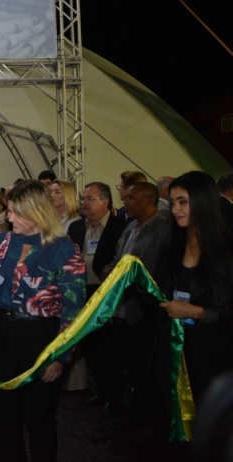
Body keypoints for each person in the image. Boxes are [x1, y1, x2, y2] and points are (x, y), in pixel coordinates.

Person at [0, 180, 86, 462]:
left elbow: (74, 309)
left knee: (40, 423)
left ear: (37, 212)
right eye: (8, 211)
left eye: (15, 212)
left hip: (44, 341)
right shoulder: (0, 243)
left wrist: (60, 356)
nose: (9, 218)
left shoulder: (65, 250)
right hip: (4, 340)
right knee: (5, 423)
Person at [157, 171, 233, 407]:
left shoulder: (226, 251)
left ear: (202, 203)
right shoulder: (170, 246)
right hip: (175, 353)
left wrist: (194, 312)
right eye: (172, 203)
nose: (176, 210)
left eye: (183, 203)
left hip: (215, 359)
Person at [97, 182, 168, 424]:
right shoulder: (129, 229)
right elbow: (118, 260)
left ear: (147, 201)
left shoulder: (163, 229)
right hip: (121, 308)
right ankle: (123, 407)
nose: (125, 202)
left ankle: (146, 416)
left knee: (143, 366)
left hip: (144, 309)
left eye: (130, 198)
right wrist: (109, 269)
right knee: (119, 360)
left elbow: (158, 272)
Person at [66, 182, 126, 409]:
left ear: (105, 202)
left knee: (110, 347)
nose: (84, 203)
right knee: (90, 344)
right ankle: (102, 390)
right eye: (83, 199)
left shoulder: (120, 228)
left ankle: (115, 396)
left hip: (107, 293)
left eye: (89, 199)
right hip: (82, 292)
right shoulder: (76, 228)